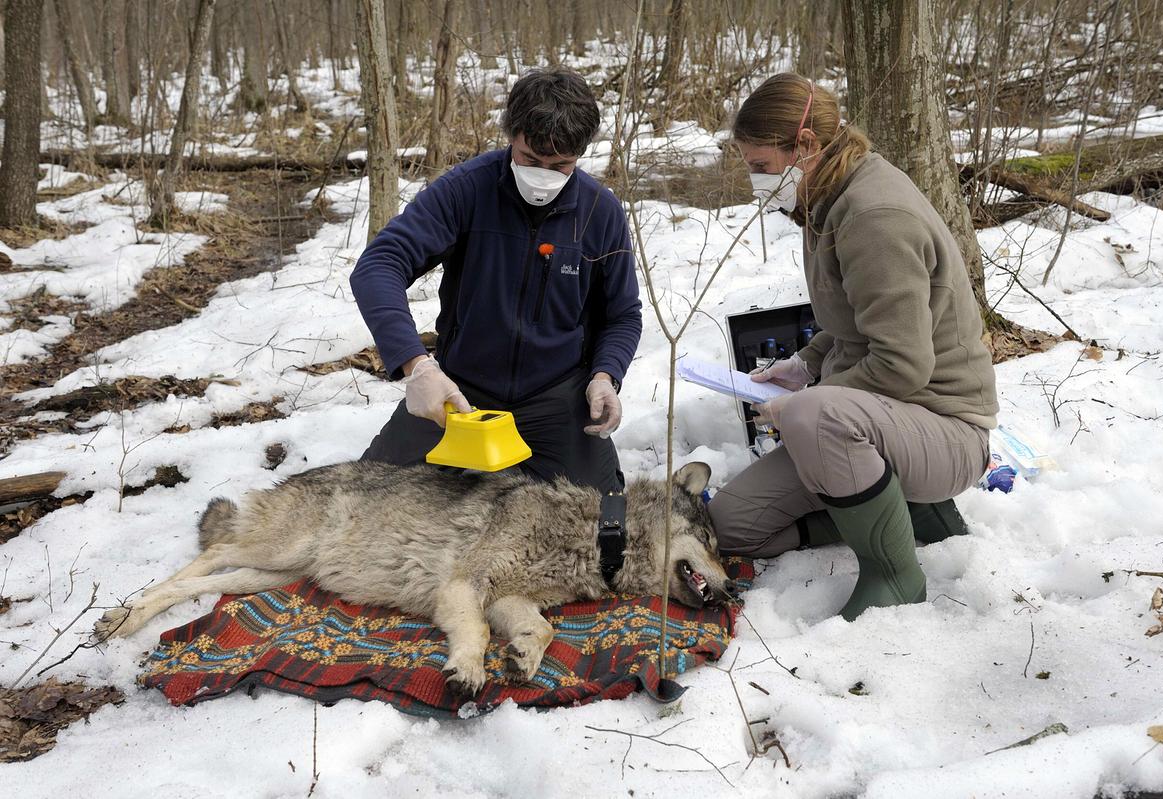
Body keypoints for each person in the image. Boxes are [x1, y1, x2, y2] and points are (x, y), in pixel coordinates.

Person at [709, 74, 998, 620]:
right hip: (880, 423)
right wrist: (804, 365)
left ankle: (893, 573)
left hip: (945, 427)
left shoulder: (873, 216)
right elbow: (859, 325)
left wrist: (802, 405)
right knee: (734, 525)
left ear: (805, 145)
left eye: (761, 165)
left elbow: (902, 364)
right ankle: (908, 514)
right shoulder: (825, 195)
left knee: (816, 416)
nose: (756, 181)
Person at [350, 67, 641, 493]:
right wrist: (417, 366)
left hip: (556, 397)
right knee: (366, 497)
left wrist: (605, 376)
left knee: (600, 511)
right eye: (531, 159)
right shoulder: (467, 190)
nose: (544, 175)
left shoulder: (601, 212)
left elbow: (623, 315)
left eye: (561, 165)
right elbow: (379, 265)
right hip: (461, 393)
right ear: (511, 136)